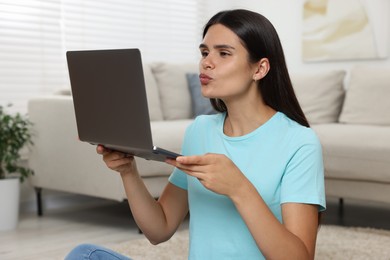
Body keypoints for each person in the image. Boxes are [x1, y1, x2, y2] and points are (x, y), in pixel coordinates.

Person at [65, 9, 326, 260]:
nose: (206, 62)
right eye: (204, 52)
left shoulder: (299, 143)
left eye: (223, 53)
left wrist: (239, 188)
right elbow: (160, 229)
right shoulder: (200, 130)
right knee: (85, 255)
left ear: (260, 69)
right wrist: (128, 171)